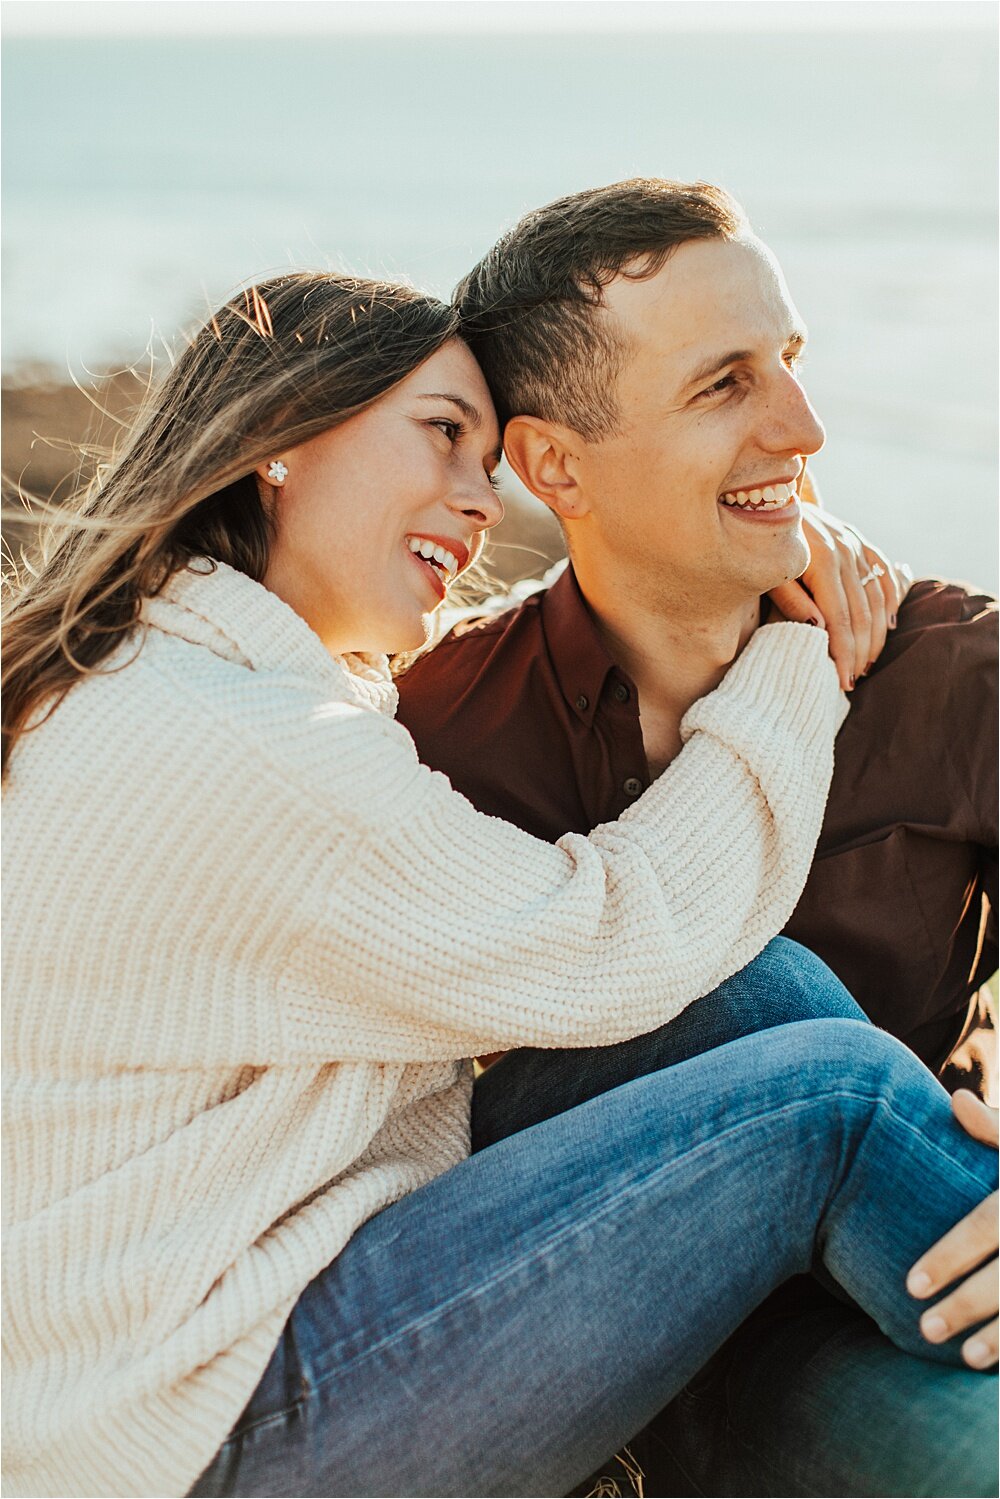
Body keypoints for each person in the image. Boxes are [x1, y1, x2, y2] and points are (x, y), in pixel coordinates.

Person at [1, 271, 995, 1499]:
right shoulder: (239, 739)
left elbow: (633, 977)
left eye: (491, 458)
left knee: (754, 992)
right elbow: (610, 938)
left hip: (201, 1329)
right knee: (834, 1101)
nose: (483, 501)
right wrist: (797, 655)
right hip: (194, 1439)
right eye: (442, 436)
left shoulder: (168, 674)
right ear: (281, 442)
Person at [394, 179, 999, 1495]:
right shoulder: (432, 733)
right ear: (554, 465)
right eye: (726, 385)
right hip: (608, 1355)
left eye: (789, 361)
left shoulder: (955, 667)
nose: (806, 424)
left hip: (924, 1278)